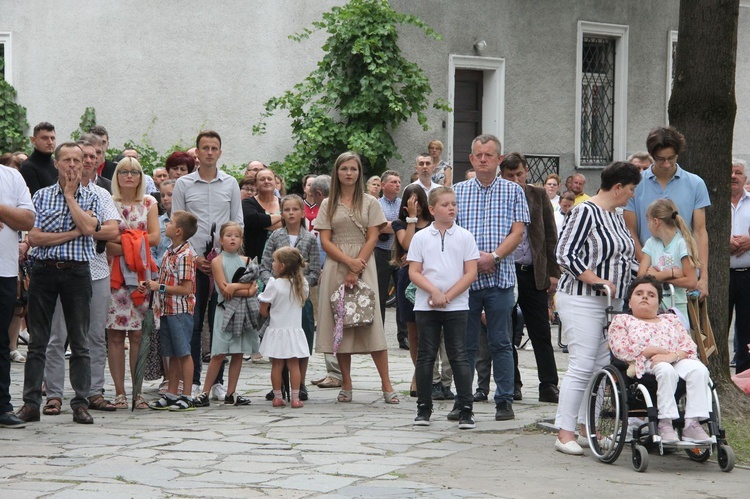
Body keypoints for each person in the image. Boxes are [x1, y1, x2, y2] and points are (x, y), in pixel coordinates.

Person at [553, 161, 641, 455]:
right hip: (581, 298)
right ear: (617, 188)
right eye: (630, 190)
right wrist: (596, 279)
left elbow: (625, 258)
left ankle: (584, 426)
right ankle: (564, 432)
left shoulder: (616, 216)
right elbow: (564, 253)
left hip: (610, 305)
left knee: (600, 366)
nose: (632, 196)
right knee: (581, 363)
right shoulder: (585, 211)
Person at [17, 142, 101, 425]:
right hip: (44, 270)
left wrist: (69, 196)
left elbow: (90, 229)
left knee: (80, 341)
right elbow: (35, 237)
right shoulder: (39, 196)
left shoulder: (90, 196)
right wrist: (72, 232)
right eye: (67, 160)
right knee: (38, 341)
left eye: (77, 161)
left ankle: (80, 403)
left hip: (77, 273)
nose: (73, 165)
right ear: (56, 164)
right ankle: (31, 403)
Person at [454, 134, 529, 422]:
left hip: (501, 279)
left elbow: (518, 232)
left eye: (489, 155)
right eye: (478, 155)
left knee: (501, 342)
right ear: (471, 159)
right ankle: (463, 401)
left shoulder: (513, 192)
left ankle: (504, 400)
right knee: (466, 344)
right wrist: (474, 260)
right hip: (466, 281)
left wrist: (494, 257)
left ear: (499, 160)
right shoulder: (457, 191)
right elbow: (451, 231)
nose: (483, 159)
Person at [42, 140, 121, 415]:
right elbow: (39, 235)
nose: (85, 161)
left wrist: (89, 227)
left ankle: (93, 391)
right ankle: (53, 394)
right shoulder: (47, 194)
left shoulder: (100, 195)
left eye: (91, 156)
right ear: (64, 162)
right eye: (80, 157)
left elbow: (112, 232)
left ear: (97, 160)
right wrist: (85, 227)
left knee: (94, 336)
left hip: (96, 271)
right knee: (57, 336)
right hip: (61, 270)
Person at [314, 151, 398, 404]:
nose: (348, 173)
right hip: (337, 264)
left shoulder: (371, 203)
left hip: (365, 262)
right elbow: (325, 240)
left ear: (359, 172)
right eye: (344, 169)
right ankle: (346, 383)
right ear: (336, 172)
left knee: (372, 324)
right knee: (340, 324)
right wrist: (347, 262)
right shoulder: (328, 204)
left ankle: (387, 385)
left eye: (353, 168)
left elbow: (373, 236)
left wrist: (356, 266)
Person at [172, 130, 243, 398]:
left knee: (220, 321)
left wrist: (223, 256)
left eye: (214, 148)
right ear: (197, 152)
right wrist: (194, 256)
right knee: (192, 321)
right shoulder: (184, 184)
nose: (210, 152)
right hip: (192, 261)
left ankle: (217, 381)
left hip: (222, 263)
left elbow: (238, 221)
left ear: (220, 152)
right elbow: (177, 224)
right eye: (205, 148)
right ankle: (192, 380)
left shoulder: (230, 183)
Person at [608, 275, 712, 444]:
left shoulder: (670, 320)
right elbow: (619, 348)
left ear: (658, 303)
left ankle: (692, 424)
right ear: (630, 302)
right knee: (665, 368)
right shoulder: (623, 320)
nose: (644, 297)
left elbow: (689, 346)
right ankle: (665, 423)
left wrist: (673, 355)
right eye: (639, 293)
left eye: (651, 295)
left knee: (699, 370)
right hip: (646, 362)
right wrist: (652, 351)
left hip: (675, 358)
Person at [408, 187, 479, 428]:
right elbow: (414, 271)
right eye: (445, 204)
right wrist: (435, 292)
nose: (451, 208)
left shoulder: (465, 237)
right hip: (426, 305)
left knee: (458, 354)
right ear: (431, 209)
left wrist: (447, 296)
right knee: (426, 356)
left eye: (454, 204)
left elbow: (471, 273)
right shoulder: (420, 238)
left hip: (456, 305)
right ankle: (424, 407)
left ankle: (465, 408)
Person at [499, 152, 560, 403]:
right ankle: (512, 384)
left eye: (519, 174)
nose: (515, 179)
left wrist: (553, 272)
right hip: (505, 272)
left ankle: (548, 385)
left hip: (532, 272)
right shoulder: (498, 195)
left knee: (541, 332)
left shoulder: (538, 195)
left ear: (526, 173)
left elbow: (550, 234)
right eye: (510, 175)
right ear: (502, 175)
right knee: (506, 332)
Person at [624, 126, 710, 298]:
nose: (667, 164)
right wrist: (650, 269)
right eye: (660, 159)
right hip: (647, 278)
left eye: (672, 158)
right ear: (651, 155)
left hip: (686, 278)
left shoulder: (695, 183)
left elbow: (700, 231)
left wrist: (703, 277)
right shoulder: (635, 184)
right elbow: (630, 232)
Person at [105, 157, 160, 409]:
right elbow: (105, 242)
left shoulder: (149, 203)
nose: (129, 176)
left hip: (141, 276)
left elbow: (156, 238)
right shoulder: (109, 202)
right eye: (124, 171)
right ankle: (119, 393)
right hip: (115, 275)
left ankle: (137, 392)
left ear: (141, 177)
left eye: (134, 172)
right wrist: (136, 242)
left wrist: (125, 241)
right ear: (117, 176)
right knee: (115, 335)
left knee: (138, 334)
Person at [260, 195, 321, 400]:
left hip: (299, 296)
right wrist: (273, 283)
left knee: (300, 339)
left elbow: (314, 269)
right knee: (278, 340)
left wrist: (300, 284)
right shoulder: (276, 236)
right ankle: (279, 385)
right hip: (279, 297)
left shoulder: (310, 238)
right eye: (287, 210)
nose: (291, 213)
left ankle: (299, 384)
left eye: (295, 209)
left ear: (302, 213)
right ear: (282, 213)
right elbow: (265, 265)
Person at [193, 221, 257, 408]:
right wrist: (244, 289)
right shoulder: (217, 261)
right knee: (219, 352)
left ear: (241, 240)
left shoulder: (247, 261)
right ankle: (205, 391)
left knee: (238, 352)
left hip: (242, 312)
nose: (233, 239)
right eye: (228, 235)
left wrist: (236, 287)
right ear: (221, 240)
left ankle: (231, 392)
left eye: (236, 236)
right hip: (224, 310)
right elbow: (223, 288)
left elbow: (253, 288)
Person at [141, 210, 199, 412]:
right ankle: (172, 393)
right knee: (172, 354)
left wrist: (160, 287)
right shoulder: (169, 251)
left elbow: (186, 289)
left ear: (179, 231)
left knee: (183, 353)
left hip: (180, 311)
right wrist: (152, 284)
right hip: (166, 309)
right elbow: (166, 281)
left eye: (170, 223)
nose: (166, 225)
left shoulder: (185, 255)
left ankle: (188, 395)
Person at [0, 158, 35, 428]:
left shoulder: (11, 177)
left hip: (4, 270)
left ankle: (1, 406)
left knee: (1, 341)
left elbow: (27, 219)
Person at [392, 184, 434, 396]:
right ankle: (419, 374)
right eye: (410, 202)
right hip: (406, 279)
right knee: (413, 331)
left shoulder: (434, 224)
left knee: (429, 329)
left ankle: (431, 373)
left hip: (430, 277)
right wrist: (411, 219)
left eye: (417, 201)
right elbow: (407, 244)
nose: (414, 205)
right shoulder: (400, 223)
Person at [259, 247, 311, 408]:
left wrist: (268, 314)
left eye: (274, 261)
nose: (272, 264)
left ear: (281, 266)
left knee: (277, 365)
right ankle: (295, 398)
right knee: (294, 364)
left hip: (277, 329)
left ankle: (277, 396)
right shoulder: (301, 284)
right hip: (294, 330)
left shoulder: (274, 284)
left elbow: (263, 307)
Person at [638, 199, 700, 319]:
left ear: (655, 222)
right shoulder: (651, 243)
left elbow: (691, 282)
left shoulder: (681, 244)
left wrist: (661, 277)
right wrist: (671, 274)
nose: (648, 226)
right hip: (654, 308)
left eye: (648, 221)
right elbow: (641, 277)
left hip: (677, 307)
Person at [374, 170, 408, 349]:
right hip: (381, 252)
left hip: (400, 253)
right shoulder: (376, 204)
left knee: (402, 295)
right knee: (379, 294)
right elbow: (377, 226)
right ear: (383, 185)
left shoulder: (403, 205)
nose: (397, 185)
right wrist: (398, 226)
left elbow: (410, 224)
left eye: (399, 181)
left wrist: (390, 226)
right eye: (393, 182)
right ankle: (378, 337)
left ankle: (404, 337)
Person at [729, 159, 750, 374]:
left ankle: (745, 377)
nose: (733, 176)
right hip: (722, 275)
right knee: (718, 325)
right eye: (730, 172)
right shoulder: (713, 203)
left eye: (738, 172)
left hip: (748, 274)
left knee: (747, 330)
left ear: (745, 178)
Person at [243, 168, 282, 261]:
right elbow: (252, 220)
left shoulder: (284, 203)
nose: (266, 181)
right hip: (255, 258)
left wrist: (261, 224)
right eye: (262, 179)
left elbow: (292, 223)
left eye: (269, 179)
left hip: (281, 257)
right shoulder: (248, 203)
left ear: (275, 183)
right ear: (256, 184)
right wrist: (282, 217)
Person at [20, 122, 57, 196]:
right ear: (33, 140)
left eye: (52, 138)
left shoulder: (56, 164)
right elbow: (34, 199)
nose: (50, 142)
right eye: (45, 138)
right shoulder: (28, 167)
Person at [152, 180, 175, 268]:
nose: (165, 198)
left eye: (170, 195)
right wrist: (156, 266)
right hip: (159, 268)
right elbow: (152, 249)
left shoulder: (185, 221)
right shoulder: (157, 222)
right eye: (162, 195)